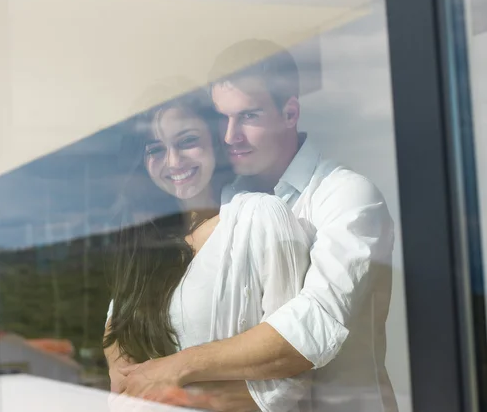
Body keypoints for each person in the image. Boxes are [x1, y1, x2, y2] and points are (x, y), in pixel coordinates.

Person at [113, 41, 398, 412]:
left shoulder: (347, 195)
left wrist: (176, 370)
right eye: (222, 119)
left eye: (247, 116)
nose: (230, 135)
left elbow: (311, 326)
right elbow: (132, 304)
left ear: (290, 112)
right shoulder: (223, 204)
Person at [104, 81, 313, 411]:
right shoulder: (148, 236)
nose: (173, 161)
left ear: (216, 143)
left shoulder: (260, 216)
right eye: (155, 149)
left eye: (187, 142)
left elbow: (290, 374)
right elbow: (118, 322)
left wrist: (177, 392)